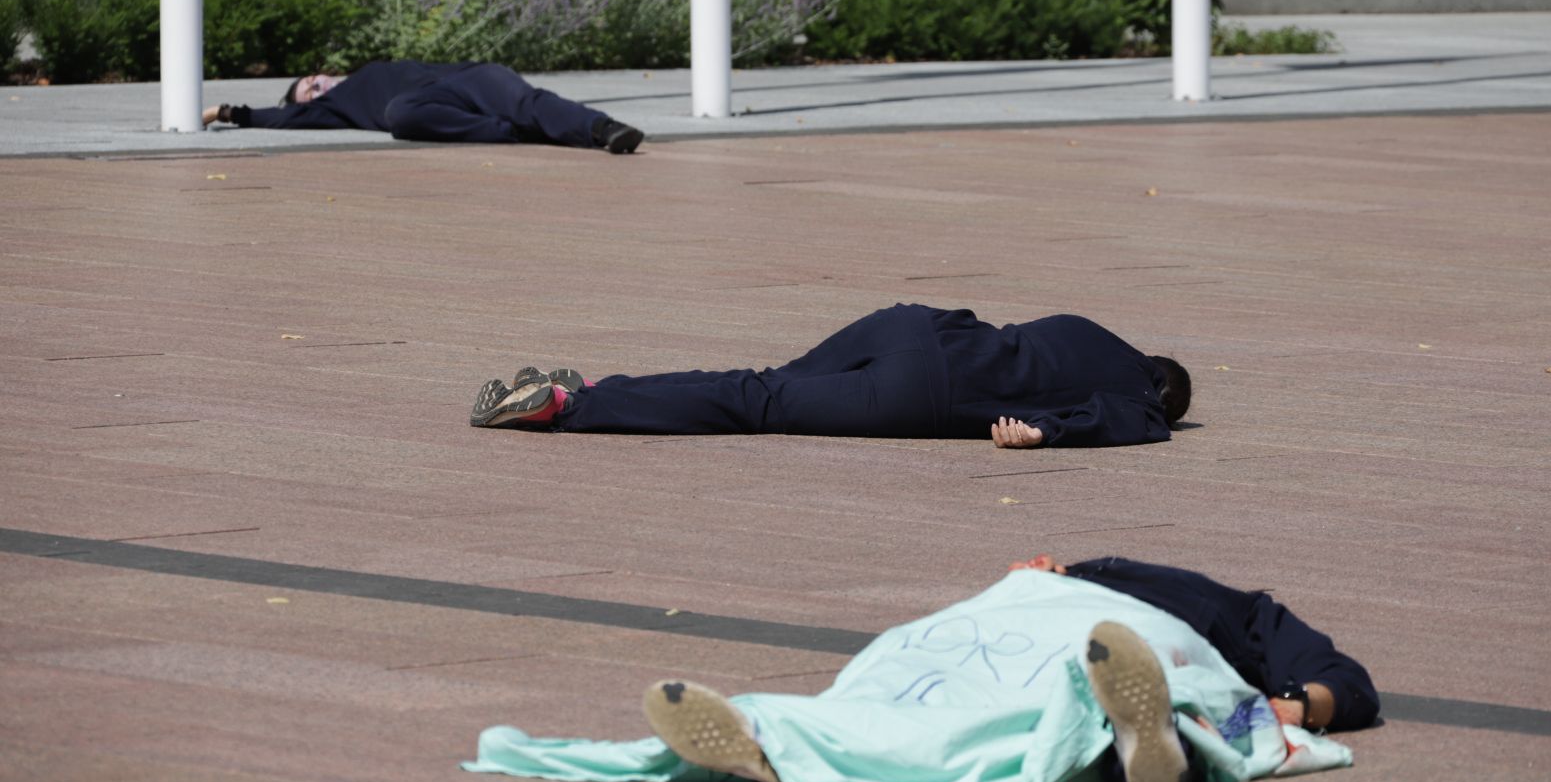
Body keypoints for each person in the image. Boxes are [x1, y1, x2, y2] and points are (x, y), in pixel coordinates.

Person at [464, 556, 1379, 782]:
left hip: (1136, 641)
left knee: (1064, 685)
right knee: (916, 680)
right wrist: (1035, 579)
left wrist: (1294, 704)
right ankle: (766, 733)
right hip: (1022, 616)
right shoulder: (1076, 566)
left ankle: (1148, 738)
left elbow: (1351, 683)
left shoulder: (1245, 613)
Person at [469, 303, 1192, 448]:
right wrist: (1044, 432)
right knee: (758, 403)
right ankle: (565, 406)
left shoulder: (1093, 330)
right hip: (921, 395)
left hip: (913, 326)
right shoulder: (1142, 402)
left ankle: (600, 388)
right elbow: (1120, 419)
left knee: (762, 378)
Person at [203, 60, 644, 153]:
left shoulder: (367, 70)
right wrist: (225, 113)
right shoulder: (336, 105)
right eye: (308, 93)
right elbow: (281, 117)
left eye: (312, 81)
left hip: (466, 77)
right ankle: (514, 131)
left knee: (527, 100)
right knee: (401, 115)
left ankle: (604, 130)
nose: (318, 88)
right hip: (419, 107)